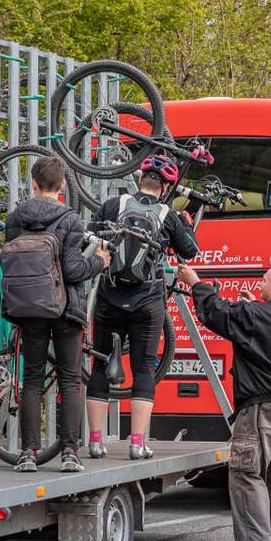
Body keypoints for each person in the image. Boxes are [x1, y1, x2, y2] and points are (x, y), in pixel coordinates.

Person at [176, 263, 271, 541]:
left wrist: (196, 282)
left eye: (263, 282)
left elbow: (217, 314)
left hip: (261, 410)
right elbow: (269, 329)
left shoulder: (256, 316)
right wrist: (254, 309)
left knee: (246, 473)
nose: (259, 285)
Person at [86, 155, 199, 460]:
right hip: (148, 302)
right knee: (143, 368)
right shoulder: (167, 214)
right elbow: (190, 251)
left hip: (110, 297)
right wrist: (185, 226)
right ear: (164, 188)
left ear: (140, 180)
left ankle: (95, 442)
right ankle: (137, 443)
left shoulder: (113, 205)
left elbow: (91, 235)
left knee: (99, 365)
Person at [3, 156, 110, 473]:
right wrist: (100, 262)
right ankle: (69, 453)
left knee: (32, 380)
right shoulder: (70, 220)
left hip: (29, 308)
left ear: (33, 184)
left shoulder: (15, 219)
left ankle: (28, 453)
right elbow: (74, 270)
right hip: (66, 310)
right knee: (70, 380)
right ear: (62, 185)